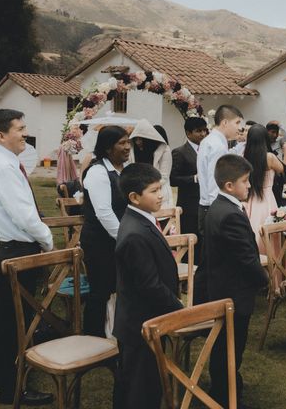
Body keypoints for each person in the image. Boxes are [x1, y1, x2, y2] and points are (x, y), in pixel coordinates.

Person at [0, 108, 53, 405]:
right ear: (1, 135)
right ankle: (12, 389)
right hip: (18, 250)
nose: (25, 133)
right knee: (15, 323)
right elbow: (24, 215)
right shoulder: (4, 166)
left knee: (2, 317)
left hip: (7, 248)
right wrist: (47, 240)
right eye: (20, 129)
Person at [113, 163, 183, 409]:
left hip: (147, 317)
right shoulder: (133, 233)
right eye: (154, 191)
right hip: (139, 322)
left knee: (144, 382)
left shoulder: (142, 220)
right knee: (140, 388)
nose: (161, 195)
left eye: (160, 188)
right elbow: (149, 285)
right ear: (134, 197)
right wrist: (179, 307)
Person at [204, 154, 269, 407]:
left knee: (226, 345)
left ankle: (225, 387)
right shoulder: (229, 214)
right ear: (229, 185)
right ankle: (225, 395)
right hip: (233, 292)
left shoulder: (220, 207)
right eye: (245, 181)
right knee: (231, 347)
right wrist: (264, 281)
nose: (249, 185)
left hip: (222, 286)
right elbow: (246, 257)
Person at [80, 126, 131, 337]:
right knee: (100, 289)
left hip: (119, 237)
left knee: (118, 286)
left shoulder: (124, 171)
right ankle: (92, 335)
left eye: (128, 142)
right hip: (100, 241)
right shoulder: (97, 172)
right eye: (122, 143)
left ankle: (115, 330)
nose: (128, 147)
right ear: (108, 148)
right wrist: (125, 238)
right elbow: (104, 212)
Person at [194, 105, 244, 303]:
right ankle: (210, 307)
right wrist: (223, 211)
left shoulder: (210, 141)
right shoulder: (217, 145)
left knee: (208, 263)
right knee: (214, 264)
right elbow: (216, 183)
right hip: (213, 208)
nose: (239, 128)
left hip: (206, 206)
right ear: (224, 122)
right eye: (237, 123)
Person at [170, 117, 208, 263]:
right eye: (199, 131)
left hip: (205, 203)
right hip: (189, 204)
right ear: (188, 133)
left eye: (204, 130)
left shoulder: (207, 149)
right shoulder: (179, 152)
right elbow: (173, 179)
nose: (203, 134)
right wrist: (194, 178)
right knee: (191, 241)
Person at [242, 124, 284, 254]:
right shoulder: (269, 157)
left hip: (250, 200)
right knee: (268, 237)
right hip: (266, 200)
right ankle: (271, 269)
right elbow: (284, 170)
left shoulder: (245, 155)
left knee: (253, 233)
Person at [129, 120, 173, 208]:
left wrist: (146, 187)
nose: (138, 142)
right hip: (139, 196)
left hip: (159, 194)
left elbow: (164, 176)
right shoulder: (132, 150)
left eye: (141, 139)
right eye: (136, 139)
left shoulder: (163, 150)